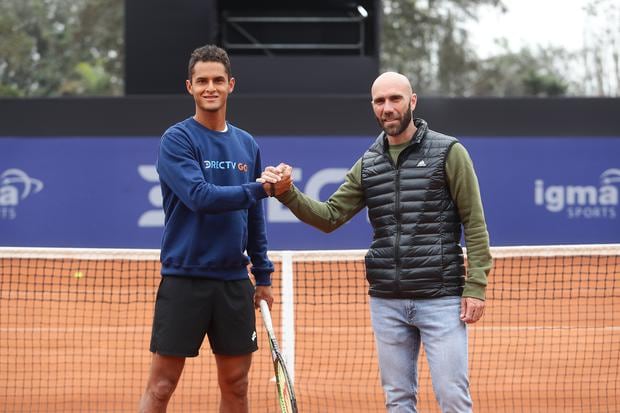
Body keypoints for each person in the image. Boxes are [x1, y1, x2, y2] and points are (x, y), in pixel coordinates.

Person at [260, 72, 492, 412]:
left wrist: (475, 285)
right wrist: (286, 193)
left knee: (453, 398)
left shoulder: (449, 152)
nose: (388, 108)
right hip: (387, 301)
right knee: (398, 401)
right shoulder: (368, 164)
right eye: (380, 101)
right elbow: (329, 216)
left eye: (395, 99)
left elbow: (474, 222)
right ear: (373, 106)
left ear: (412, 101)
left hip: (440, 297)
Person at [139, 44, 290, 413]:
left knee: (236, 387)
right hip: (184, 279)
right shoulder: (177, 140)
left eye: (218, 80)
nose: (210, 87)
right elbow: (199, 196)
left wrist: (264, 276)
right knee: (160, 388)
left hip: (233, 283)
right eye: (202, 80)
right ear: (189, 86)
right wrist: (264, 187)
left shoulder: (246, 143)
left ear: (230, 85)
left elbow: (254, 216)